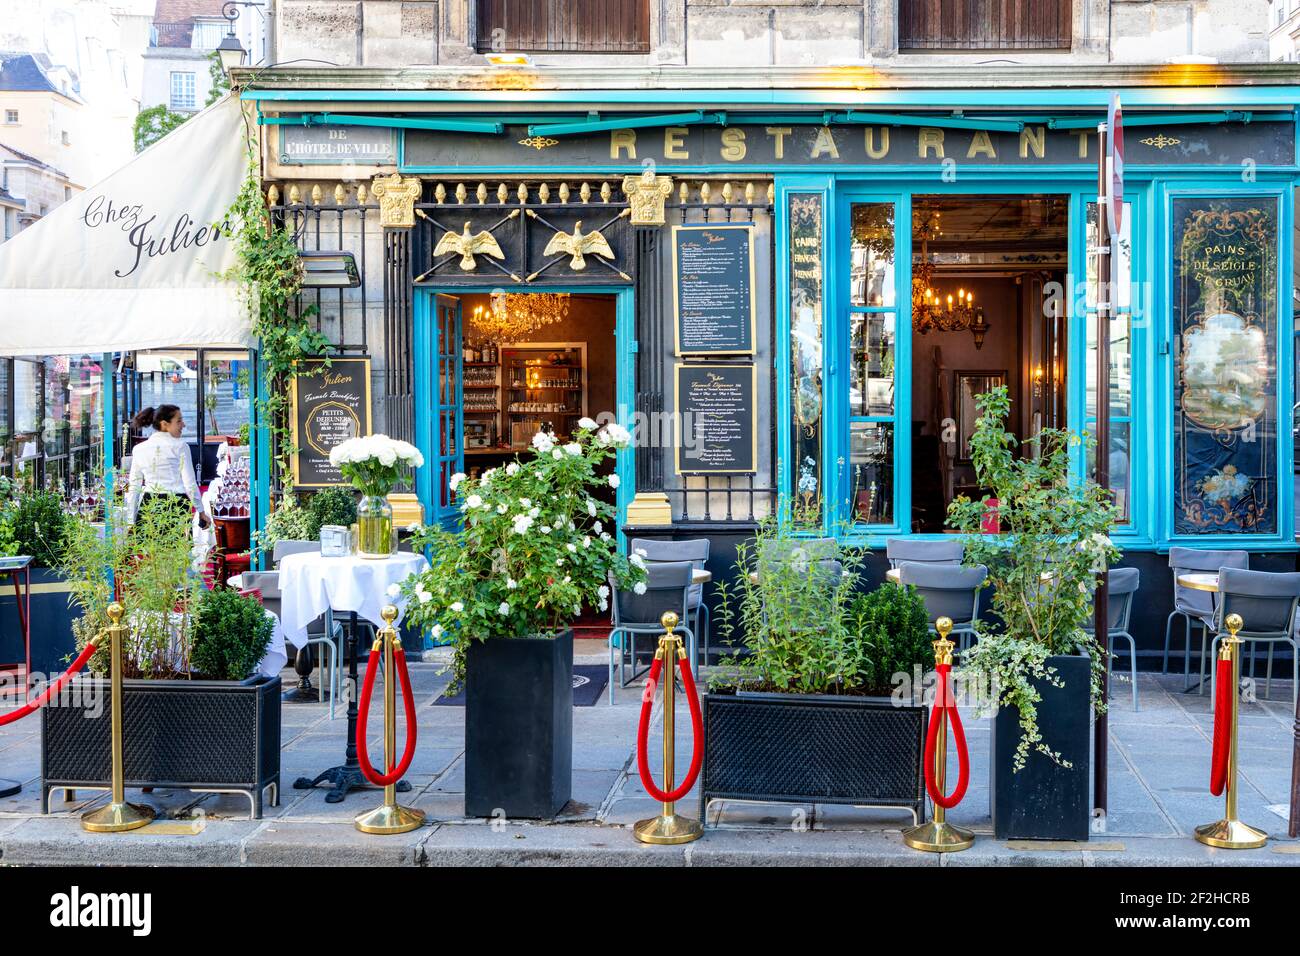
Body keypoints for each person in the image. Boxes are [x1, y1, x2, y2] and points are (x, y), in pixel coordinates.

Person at [125, 405, 210, 530]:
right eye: (179, 421)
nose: (183, 425)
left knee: (151, 549)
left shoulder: (139, 449)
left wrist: (130, 522)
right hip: (176, 505)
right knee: (177, 548)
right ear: (164, 424)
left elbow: (134, 487)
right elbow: (190, 483)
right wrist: (201, 512)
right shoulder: (180, 446)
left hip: (149, 505)